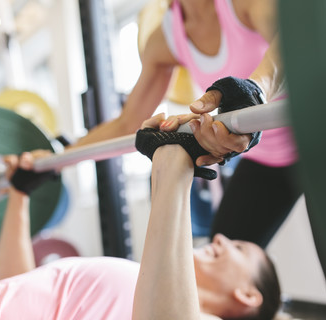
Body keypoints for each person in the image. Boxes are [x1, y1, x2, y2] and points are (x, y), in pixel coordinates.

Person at [0, 114, 281, 320]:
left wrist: (176, 164)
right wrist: (21, 193)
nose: (221, 238)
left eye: (240, 249)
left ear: (247, 295)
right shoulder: (142, 286)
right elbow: (19, 289)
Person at [69, 0, 301, 249]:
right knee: (219, 269)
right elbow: (128, 123)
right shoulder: (167, 37)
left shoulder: (241, 4)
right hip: (269, 160)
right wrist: (58, 155)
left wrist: (255, 92)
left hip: (323, 138)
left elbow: (292, 42)